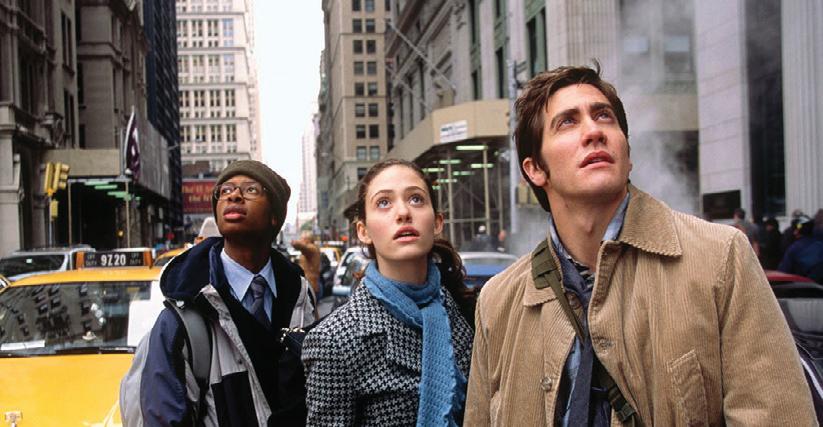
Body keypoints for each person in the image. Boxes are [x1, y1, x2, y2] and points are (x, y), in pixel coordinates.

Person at [464, 64, 815, 425]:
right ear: (535, 169)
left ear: (627, 155)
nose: (594, 131)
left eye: (604, 116)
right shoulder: (497, 302)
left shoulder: (721, 258)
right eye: (567, 122)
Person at [121, 160, 317, 426]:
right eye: (225, 191)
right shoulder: (182, 319)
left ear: (275, 216)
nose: (234, 196)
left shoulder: (301, 298)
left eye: (251, 190)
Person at [302, 159, 474, 425]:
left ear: (437, 222)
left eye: (416, 199)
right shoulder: (335, 340)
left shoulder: (468, 314)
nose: (403, 212)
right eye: (384, 202)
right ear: (363, 231)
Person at [778, 215, 823, 282]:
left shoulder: (794, 249)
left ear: (796, 231)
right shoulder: (820, 245)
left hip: (804, 285)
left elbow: (783, 271)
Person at [291, 232, 322, 297]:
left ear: (307, 239)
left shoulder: (312, 248)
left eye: (301, 238)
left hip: (310, 286)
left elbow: (302, 247)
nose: (300, 240)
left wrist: (295, 243)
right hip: (309, 285)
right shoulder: (312, 248)